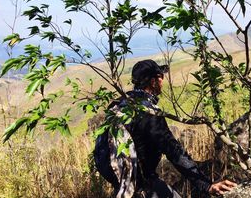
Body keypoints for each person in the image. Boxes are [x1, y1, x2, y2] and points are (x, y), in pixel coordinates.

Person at [95, 59, 237, 197]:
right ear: (154, 81)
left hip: (121, 183)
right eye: (161, 77)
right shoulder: (149, 113)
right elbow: (174, 152)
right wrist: (206, 185)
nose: (162, 81)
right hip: (142, 185)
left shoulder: (119, 104)